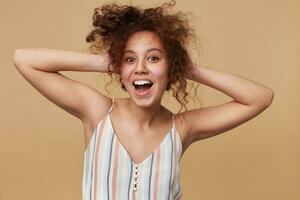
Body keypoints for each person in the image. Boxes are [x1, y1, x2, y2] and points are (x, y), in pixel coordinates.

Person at [13, 0, 274, 199]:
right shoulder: (98, 112)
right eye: (129, 59)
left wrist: (187, 68)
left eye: (153, 58)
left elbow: (260, 98)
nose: (140, 68)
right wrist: (105, 62)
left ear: (169, 68)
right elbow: (24, 60)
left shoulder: (181, 128)